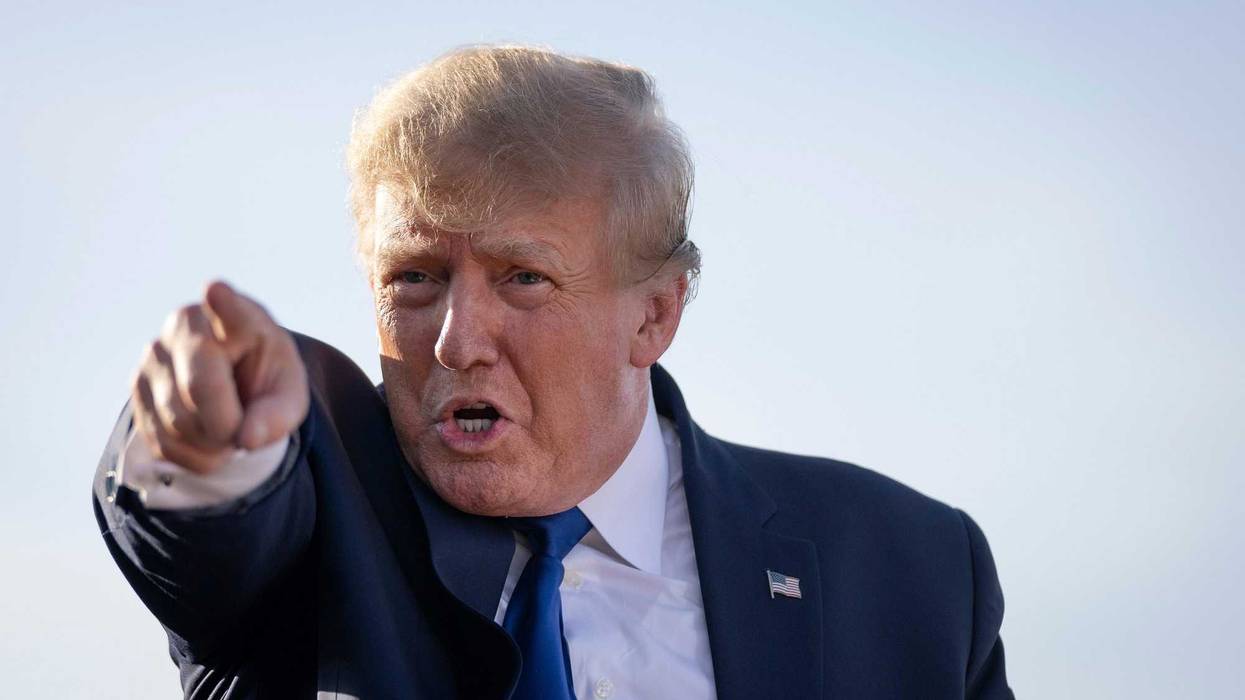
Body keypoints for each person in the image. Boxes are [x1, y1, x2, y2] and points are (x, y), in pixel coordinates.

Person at [93, 45, 1014, 699]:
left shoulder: (912, 569)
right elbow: (202, 528)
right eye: (413, 278)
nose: (457, 342)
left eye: (522, 278)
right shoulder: (315, 511)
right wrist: (204, 444)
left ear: (654, 314)